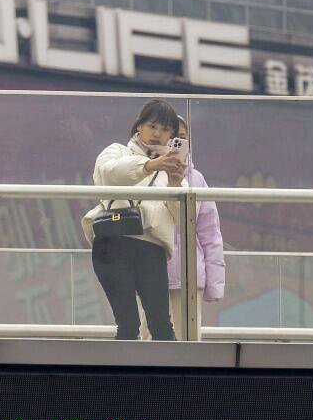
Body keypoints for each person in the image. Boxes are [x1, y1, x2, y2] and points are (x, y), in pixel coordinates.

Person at [86, 99, 184, 340]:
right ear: (139, 126)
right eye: (152, 126)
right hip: (112, 242)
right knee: (128, 324)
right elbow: (108, 174)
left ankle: (171, 376)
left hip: (151, 249)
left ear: (172, 135)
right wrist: (151, 165)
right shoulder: (117, 150)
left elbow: (180, 217)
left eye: (165, 129)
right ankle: (124, 378)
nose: (158, 134)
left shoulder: (173, 168)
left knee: (161, 324)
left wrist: (174, 183)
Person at [154, 116, 224, 337]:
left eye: (182, 138)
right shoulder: (147, 172)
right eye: (172, 137)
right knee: (149, 343)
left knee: (189, 343)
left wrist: (214, 283)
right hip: (150, 273)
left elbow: (210, 234)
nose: (177, 143)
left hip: (189, 277)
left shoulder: (197, 179)